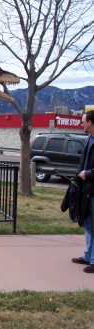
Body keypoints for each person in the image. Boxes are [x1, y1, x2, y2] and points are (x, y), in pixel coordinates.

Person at [73, 111, 94, 273]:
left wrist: (87, 174)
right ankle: (88, 255)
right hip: (86, 189)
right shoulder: (89, 140)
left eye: (83, 122)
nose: (82, 124)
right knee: (87, 224)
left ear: (91, 123)